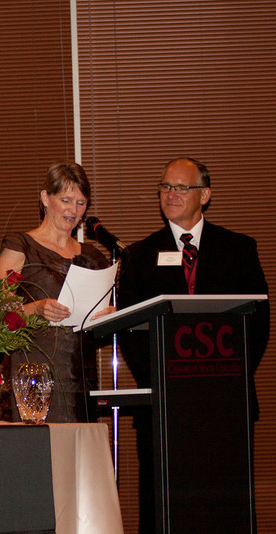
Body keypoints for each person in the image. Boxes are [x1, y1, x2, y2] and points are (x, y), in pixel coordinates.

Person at [117, 156, 269, 532]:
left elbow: (259, 324)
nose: (170, 194)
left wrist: (225, 379)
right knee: (163, 508)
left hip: (225, 404)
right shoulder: (139, 255)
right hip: (163, 405)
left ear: (205, 195)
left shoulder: (239, 249)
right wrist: (160, 382)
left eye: (181, 187)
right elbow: (129, 330)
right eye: (165, 187)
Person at [0, 161, 114, 422]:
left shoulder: (93, 256)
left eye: (81, 203)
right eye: (66, 200)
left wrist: (108, 316)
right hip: (34, 370)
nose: (73, 210)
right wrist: (36, 308)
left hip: (80, 372)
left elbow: (106, 314)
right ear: (45, 198)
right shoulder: (21, 246)